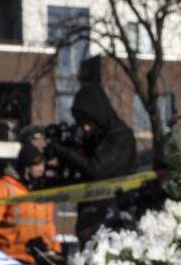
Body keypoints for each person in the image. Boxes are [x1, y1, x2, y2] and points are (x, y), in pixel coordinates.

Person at [48, 85, 137, 245]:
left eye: (86, 122)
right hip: (90, 216)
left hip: (112, 219)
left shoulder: (120, 137)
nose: (85, 129)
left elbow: (96, 169)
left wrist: (64, 152)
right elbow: (81, 177)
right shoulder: (95, 140)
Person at [0, 142, 59, 265]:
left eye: (42, 164)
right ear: (26, 167)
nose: (41, 169)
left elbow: (49, 226)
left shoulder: (44, 191)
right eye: (36, 165)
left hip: (38, 258)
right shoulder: (5, 186)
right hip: (8, 259)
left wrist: (55, 250)